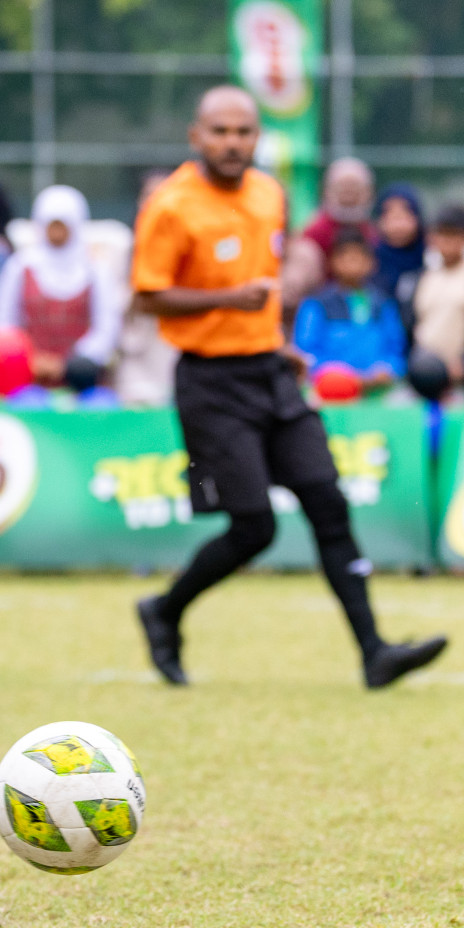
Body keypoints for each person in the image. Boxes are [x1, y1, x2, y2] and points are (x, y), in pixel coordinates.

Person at [131, 85, 445, 691]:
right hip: (209, 382)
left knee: (328, 501)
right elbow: (147, 296)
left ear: (257, 138)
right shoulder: (170, 206)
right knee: (254, 527)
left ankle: (375, 653)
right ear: (196, 136)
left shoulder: (269, 195)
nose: (232, 142)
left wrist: (278, 344)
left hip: (270, 373)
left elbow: (262, 290)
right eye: (219, 131)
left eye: (243, 132)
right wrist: (228, 301)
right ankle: (164, 611)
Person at [0, 184, 120, 386]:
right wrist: (28, 359)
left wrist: (68, 365)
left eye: (62, 225)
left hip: (83, 381)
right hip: (26, 378)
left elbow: (107, 327)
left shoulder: (95, 270)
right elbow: (2, 322)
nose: (56, 231)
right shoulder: (20, 266)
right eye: (51, 224)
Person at [292, 229, 405, 390]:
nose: (352, 262)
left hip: (378, 394)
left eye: (358, 257)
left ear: (371, 262)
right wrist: (341, 377)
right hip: (331, 394)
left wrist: (387, 369)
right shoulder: (316, 305)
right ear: (332, 262)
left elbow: (396, 349)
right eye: (345, 257)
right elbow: (306, 353)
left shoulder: (383, 304)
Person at [115, 168, 179, 407]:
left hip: (174, 352)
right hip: (135, 354)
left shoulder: (189, 248)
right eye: (149, 197)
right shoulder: (124, 248)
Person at [284, 158, 378, 308]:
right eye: (343, 188)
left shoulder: (371, 231)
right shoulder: (316, 230)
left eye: (355, 188)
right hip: (318, 299)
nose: (349, 194)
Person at [410, 205, 464, 383]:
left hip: (457, 374)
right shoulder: (426, 276)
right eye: (441, 234)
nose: (446, 241)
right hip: (426, 374)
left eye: (453, 234)